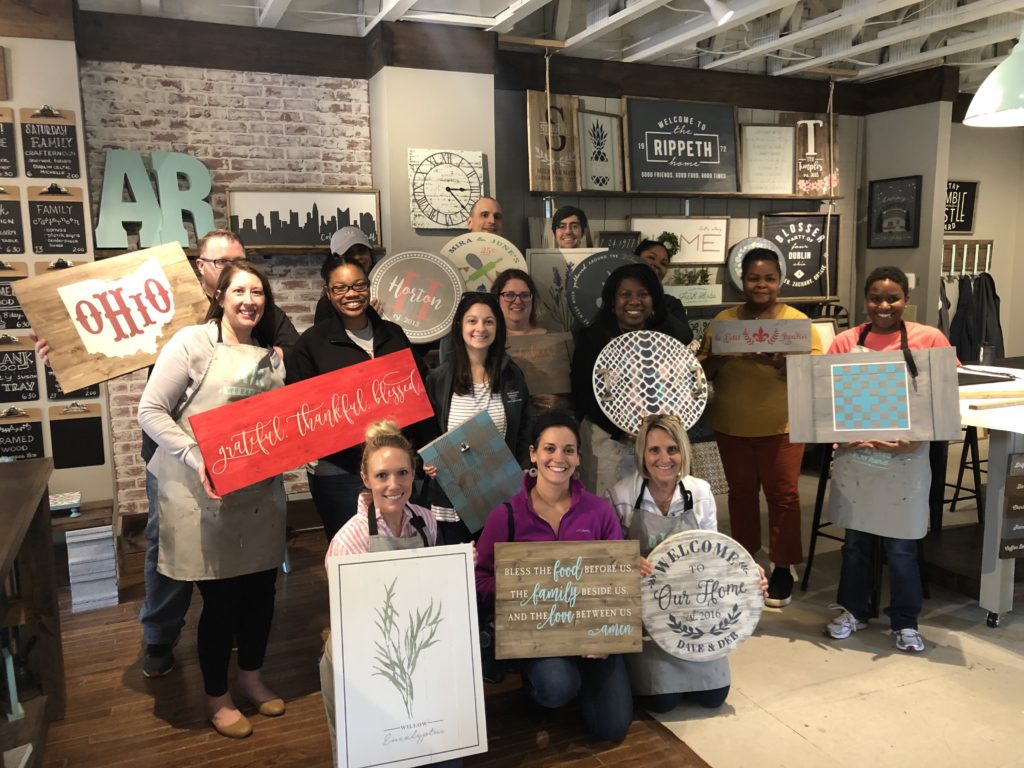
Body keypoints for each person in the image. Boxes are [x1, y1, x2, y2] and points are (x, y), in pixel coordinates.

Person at [39, 229, 299, 681]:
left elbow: (294, 352)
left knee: (236, 556)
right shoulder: (163, 306)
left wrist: (275, 354)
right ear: (202, 267)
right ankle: (160, 635)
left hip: (240, 462)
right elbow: (103, 351)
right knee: (171, 548)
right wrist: (62, 354)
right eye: (221, 264)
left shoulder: (260, 309)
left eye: (239, 263)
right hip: (176, 453)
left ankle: (234, 631)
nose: (235, 279)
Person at [137, 262, 287, 739]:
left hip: (259, 495)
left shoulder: (270, 356)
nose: (250, 300)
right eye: (240, 290)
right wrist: (195, 451)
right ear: (220, 295)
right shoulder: (191, 343)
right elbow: (149, 410)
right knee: (221, 603)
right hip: (201, 493)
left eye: (258, 292)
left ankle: (251, 678)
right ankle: (216, 696)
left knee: (261, 596)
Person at [475, 411, 633, 742]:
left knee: (612, 728)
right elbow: (480, 578)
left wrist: (606, 638)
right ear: (533, 453)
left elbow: (619, 580)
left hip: (594, 630)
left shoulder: (599, 511)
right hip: (538, 635)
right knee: (556, 688)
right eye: (549, 449)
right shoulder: (506, 515)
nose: (558, 458)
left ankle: (586, 679)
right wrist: (522, 588)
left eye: (568, 450)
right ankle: (540, 686)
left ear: (578, 458)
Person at [824, 266, 952, 653]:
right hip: (857, 457)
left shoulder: (929, 339)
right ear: (865, 301)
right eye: (876, 298)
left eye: (892, 297)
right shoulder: (847, 341)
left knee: (902, 547)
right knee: (855, 543)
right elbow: (825, 398)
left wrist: (913, 440)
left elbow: (945, 400)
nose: (884, 305)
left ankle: (905, 621)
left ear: (906, 300)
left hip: (906, 460)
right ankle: (853, 610)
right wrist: (837, 437)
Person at [319, 421, 462, 767]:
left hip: (413, 652)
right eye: (382, 475)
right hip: (361, 664)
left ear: (415, 474)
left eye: (402, 473)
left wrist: (457, 569)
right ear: (366, 479)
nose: (394, 484)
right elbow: (353, 625)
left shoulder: (426, 520)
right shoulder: (348, 541)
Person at [607, 414, 767, 712]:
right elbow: (611, 557)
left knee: (713, 698)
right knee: (663, 702)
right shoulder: (622, 494)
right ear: (642, 453)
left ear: (684, 451)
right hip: (649, 617)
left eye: (672, 449)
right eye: (654, 450)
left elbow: (717, 554)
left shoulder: (700, 491)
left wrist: (746, 571)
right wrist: (627, 559)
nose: (664, 458)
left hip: (696, 611)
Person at [699, 247, 821, 608]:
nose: (761, 285)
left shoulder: (797, 323)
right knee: (740, 495)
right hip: (731, 424)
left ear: (780, 281)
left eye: (769, 278)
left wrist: (781, 362)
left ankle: (782, 565)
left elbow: (814, 374)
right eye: (754, 277)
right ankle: (748, 560)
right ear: (742, 280)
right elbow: (701, 371)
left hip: (781, 425)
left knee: (784, 496)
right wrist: (717, 357)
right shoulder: (724, 322)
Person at [288, 254, 428, 541]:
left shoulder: (394, 334)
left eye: (359, 285)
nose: (351, 294)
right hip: (340, 474)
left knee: (401, 545)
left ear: (369, 288)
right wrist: (361, 464)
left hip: (395, 470)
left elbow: (419, 395)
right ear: (328, 293)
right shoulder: (311, 344)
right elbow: (303, 419)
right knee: (351, 557)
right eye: (340, 288)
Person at [570, 262, 693, 496]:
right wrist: (620, 430)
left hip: (658, 439)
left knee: (654, 502)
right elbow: (582, 394)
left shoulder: (665, 337)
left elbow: (681, 382)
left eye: (643, 294)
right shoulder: (593, 338)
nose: (634, 301)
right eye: (625, 294)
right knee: (610, 503)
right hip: (608, 439)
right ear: (612, 300)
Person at [424, 292, 530, 544]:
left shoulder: (512, 375)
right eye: (472, 321)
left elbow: (524, 424)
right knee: (456, 572)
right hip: (451, 496)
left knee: (494, 568)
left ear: (498, 327)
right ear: (460, 326)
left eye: (488, 321)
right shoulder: (439, 378)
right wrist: (426, 461)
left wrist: (525, 465)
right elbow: (427, 432)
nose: (480, 328)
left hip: (498, 493)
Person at [315, 226, 377, 324]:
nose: (357, 257)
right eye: (349, 254)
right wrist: (370, 316)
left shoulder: (387, 286)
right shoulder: (326, 304)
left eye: (361, 250)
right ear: (335, 259)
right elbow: (324, 337)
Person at [635, 239, 691, 330]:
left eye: (663, 263)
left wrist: (657, 304)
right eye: (651, 257)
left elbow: (685, 337)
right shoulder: (618, 298)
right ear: (635, 259)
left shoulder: (671, 303)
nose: (657, 264)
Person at [491, 268, 545, 337]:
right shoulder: (487, 339)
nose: (518, 301)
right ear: (497, 299)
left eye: (524, 295)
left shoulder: (552, 339)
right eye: (509, 295)